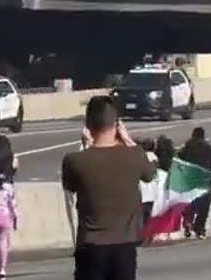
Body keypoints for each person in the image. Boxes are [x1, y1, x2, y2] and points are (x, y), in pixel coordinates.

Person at [62, 95, 157, 280]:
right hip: (125, 248)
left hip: (90, 247)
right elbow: (151, 174)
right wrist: (128, 139)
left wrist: (86, 146)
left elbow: (70, 186)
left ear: (88, 125)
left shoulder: (74, 160)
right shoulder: (135, 156)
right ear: (117, 124)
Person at [177, 127, 211, 239]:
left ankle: (188, 221)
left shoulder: (186, 148)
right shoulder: (209, 149)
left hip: (189, 180)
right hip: (204, 181)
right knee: (204, 207)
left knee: (189, 203)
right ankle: (199, 227)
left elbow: (179, 161)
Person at [0, 173, 17, 279]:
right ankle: (2, 270)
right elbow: (13, 204)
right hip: (5, 216)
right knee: (3, 243)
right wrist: (15, 219)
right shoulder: (9, 188)